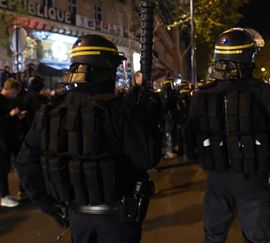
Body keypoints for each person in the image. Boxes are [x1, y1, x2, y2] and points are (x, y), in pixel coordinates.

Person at [15, 34, 162, 242]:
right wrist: (148, 118)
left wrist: (50, 207)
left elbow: (25, 163)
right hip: (117, 218)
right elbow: (147, 159)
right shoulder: (120, 110)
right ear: (106, 69)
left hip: (77, 215)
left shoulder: (50, 110)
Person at [183, 27, 270, 243]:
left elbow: (189, 140)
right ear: (248, 56)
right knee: (256, 238)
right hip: (253, 179)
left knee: (214, 236)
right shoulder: (266, 93)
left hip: (217, 179)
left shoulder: (201, 95)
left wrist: (210, 160)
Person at [0, 79, 26, 207]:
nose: (16, 96)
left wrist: (18, 115)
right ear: (10, 89)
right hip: (2, 139)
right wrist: (10, 115)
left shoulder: (10, 100)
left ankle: (23, 190)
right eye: (15, 93)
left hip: (12, 138)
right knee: (3, 168)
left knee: (22, 161)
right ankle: (4, 196)